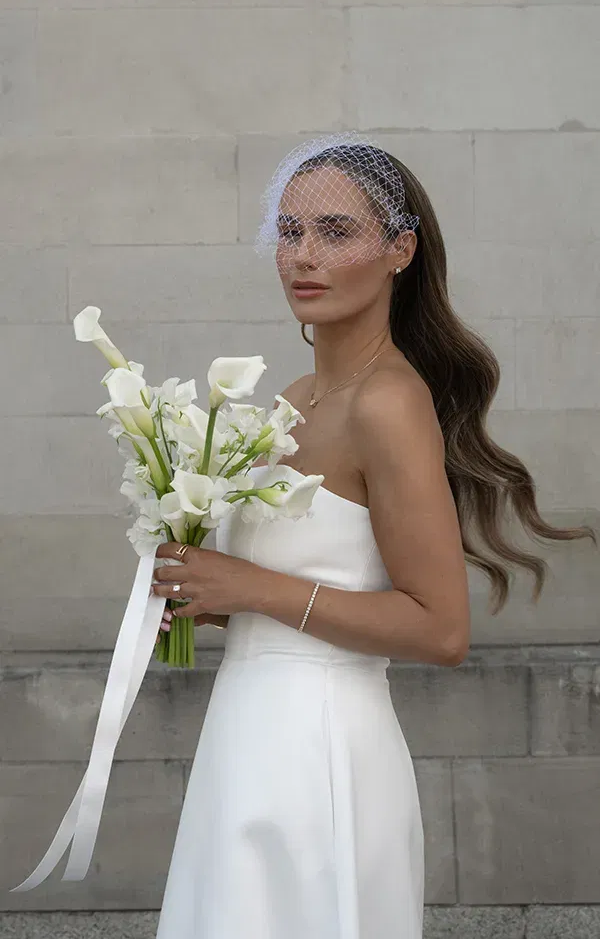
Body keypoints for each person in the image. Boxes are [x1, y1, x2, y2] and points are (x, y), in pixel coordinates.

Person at [151, 137, 596, 938]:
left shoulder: (388, 403)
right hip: (245, 737)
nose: (303, 257)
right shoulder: (294, 397)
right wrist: (204, 602)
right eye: (288, 232)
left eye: (334, 231)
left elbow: (440, 627)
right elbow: (303, 579)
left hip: (323, 748)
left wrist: (247, 586)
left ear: (401, 250)